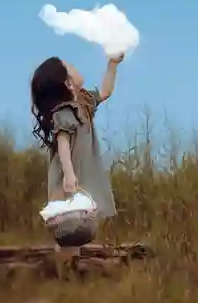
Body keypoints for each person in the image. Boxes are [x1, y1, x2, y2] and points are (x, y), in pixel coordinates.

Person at [30, 53, 124, 253]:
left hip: (83, 169)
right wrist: (68, 173)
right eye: (70, 66)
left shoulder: (84, 103)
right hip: (70, 171)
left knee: (82, 218)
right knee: (67, 221)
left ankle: (74, 260)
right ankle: (64, 261)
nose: (75, 66)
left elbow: (105, 91)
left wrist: (112, 65)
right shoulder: (64, 112)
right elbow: (63, 142)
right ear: (68, 83)